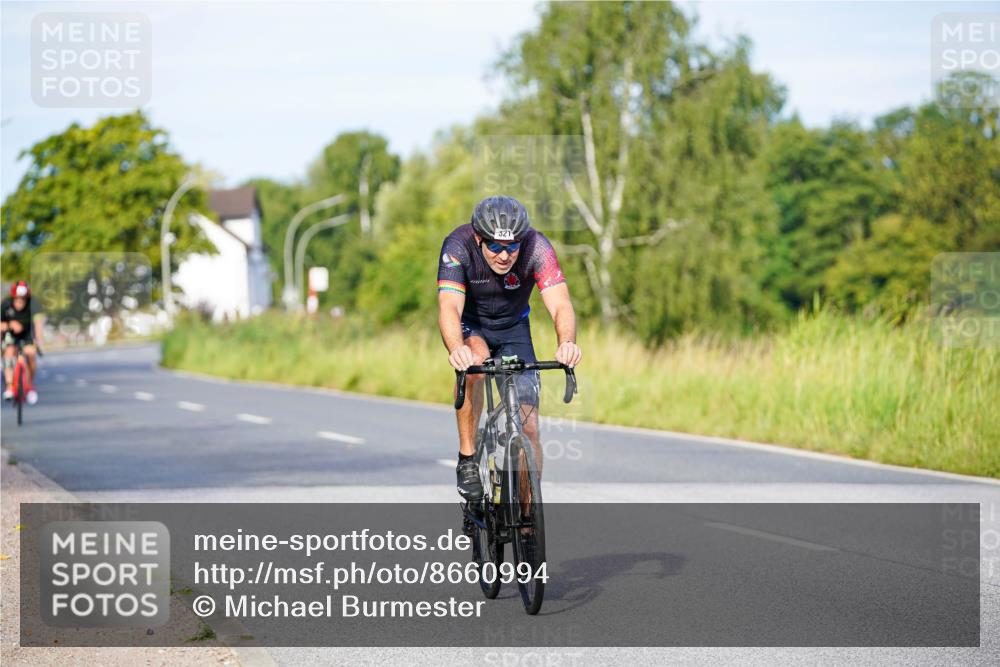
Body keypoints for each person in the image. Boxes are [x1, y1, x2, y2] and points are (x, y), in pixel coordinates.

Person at [437, 195, 582, 501]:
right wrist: (455, 348)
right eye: (496, 247)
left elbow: (561, 305)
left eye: (512, 246)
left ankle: (528, 524)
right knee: (474, 363)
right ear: (479, 239)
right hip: (471, 326)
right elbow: (449, 307)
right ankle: (467, 458)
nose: (505, 255)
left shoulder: (537, 247)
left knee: (529, 430)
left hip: (514, 328)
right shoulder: (457, 246)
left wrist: (566, 343)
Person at [2, 281, 40, 404]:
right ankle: (9, 387)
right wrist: (9, 324)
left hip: (27, 335)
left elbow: (38, 323)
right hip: (10, 334)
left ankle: (29, 386)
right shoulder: (5, 305)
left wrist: (38, 341)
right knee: (9, 352)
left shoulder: (32, 305)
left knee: (31, 354)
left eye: (23, 299)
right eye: (18, 299)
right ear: (13, 297)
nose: (20, 302)